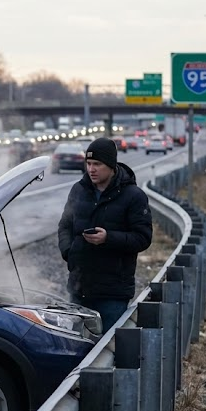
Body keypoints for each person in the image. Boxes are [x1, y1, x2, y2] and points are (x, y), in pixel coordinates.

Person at [58, 137, 153, 331]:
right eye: (89, 163)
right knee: (77, 349)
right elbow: (64, 226)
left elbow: (143, 238)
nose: (91, 169)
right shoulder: (79, 190)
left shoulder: (133, 196)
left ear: (111, 166)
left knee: (107, 351)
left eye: (97, 164)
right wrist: (69, 252)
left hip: (113, 293)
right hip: (79, 287)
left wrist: (108, 238)